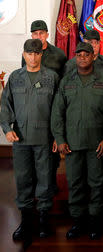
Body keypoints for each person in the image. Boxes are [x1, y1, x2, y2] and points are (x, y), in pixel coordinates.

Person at [51, 42, 103, 240]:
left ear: (92, 57)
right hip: (72, 145)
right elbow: (57, 113)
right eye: (78, 55)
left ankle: (96, 223)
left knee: (97, 184)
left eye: (86, 54)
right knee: (75, 184)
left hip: (97, 144)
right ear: (75, 57)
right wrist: (60, 139)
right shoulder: (66, 82)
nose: (82, 58)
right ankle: (78, 222)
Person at [1, 39, 59, 243]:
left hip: (44, 138)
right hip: (21, 139)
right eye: (29, 53)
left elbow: (58, 110)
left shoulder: (52, 77)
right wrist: (7, 129)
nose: (33, 57)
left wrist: (57, 136)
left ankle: (43, 220)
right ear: (24, 54)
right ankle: (26, 221)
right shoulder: (15, 78)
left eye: (36, 53)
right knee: (24, 179)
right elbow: (5, 106)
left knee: (45, 179)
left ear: (41, 54)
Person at [24, 19, 67, 195]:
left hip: (53, 105)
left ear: (47, 35)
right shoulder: (27, 52)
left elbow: (63, 82)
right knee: (34, 147)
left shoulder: (58, 54)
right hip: (34, 106)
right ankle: (35, 183)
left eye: (41, 33)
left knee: (51, 147)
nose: (38, 36)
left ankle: (50, 181)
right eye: (35, 33)